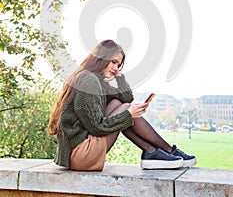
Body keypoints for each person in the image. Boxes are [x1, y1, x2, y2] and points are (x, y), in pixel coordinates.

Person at [48, 39, 196, 171]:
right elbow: (97, 127)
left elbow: (126, 98)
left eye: (119, 64)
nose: (116, 67)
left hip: (78, 153)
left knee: (118, 104)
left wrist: (118, 76)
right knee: (125, 111)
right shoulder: (89, 81)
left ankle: (151, 151)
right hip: (80, 155)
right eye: (113, 62)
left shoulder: (97, 80)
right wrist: (129, 114)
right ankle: (167, 150)